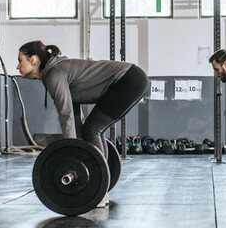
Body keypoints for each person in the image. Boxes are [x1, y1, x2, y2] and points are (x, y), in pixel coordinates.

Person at [16, 40, 148, 206]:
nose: (17, 66)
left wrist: (71, 151)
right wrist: (78, 146)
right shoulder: (54, 72)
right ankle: (100, 185)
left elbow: (66, 114)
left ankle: (99, 187)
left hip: (128, 80)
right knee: (91, 129)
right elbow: (74, 115)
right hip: (132, 78)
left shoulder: (54, 74)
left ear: (34, 60)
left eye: (20, 60)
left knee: (93, 129)